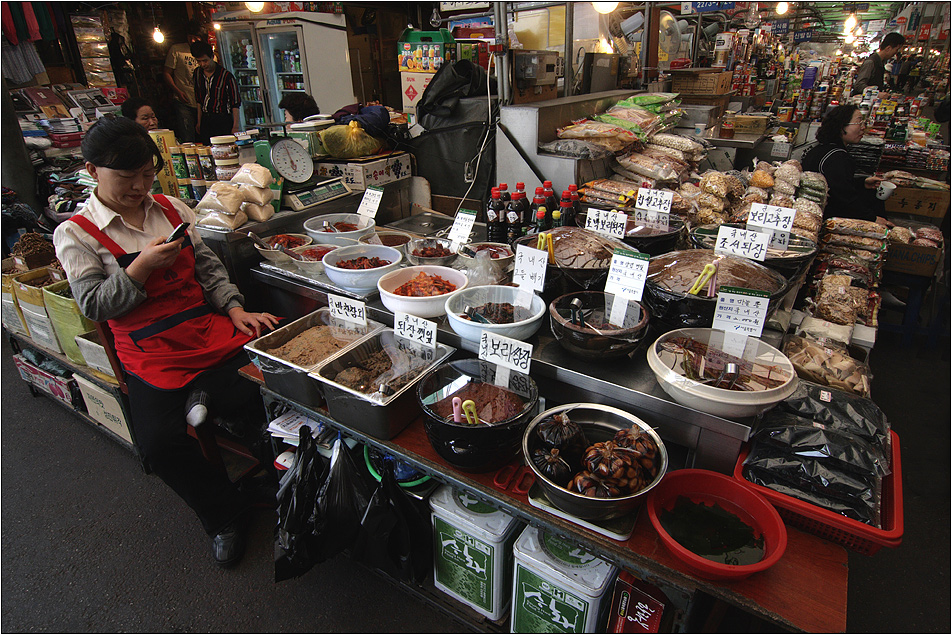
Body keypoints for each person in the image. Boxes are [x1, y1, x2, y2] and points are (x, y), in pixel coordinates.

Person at [52, 117, 278, 567]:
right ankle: (222, 514)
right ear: (92, 169)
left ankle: (272, 481)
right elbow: (95, 304)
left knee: (272, 389)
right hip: (150, 353)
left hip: (206, 333)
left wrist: (234, 307)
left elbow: (208, 267)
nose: (139, 186)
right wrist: (140, 268)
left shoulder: (173, 208)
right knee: (157, 447)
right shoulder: (75, 233)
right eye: (125, 177)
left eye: (146, 174)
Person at [802, 105, 885, 223]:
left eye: (863, 122)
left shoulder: (819, 148)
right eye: (859, 122)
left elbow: (834, 183)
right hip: (825, 219)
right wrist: (873, 219)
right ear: (841, 127)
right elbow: (845, 199)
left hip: (812, 212)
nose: (863, 127)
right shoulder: (838, 157)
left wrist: (862, 183)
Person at [191, 41, 241, 144]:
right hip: (206, 118)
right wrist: (199, 122)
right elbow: (199, 100)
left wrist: (235, 126)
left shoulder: (226, 76)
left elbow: (235, 103)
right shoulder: (197, 74)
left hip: (222, 119)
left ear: (212, 57)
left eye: (205, 60)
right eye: (199, 61)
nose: (202, 64)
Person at [163, 21, 203, 143]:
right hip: (183, 102)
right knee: (187, 137)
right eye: (190, 37)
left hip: (201, 103)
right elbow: (166, 73)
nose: (193, 40)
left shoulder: (205, 52)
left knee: (203, 135)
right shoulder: (177, 50)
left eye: (196, 37)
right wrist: (178, 91)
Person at [851, 32, 905, 96]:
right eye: (896, 50)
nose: (895, 53)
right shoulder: (871, 62)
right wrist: (877, 94)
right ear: (888, 48)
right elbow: (859, 85)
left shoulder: (881, 62)